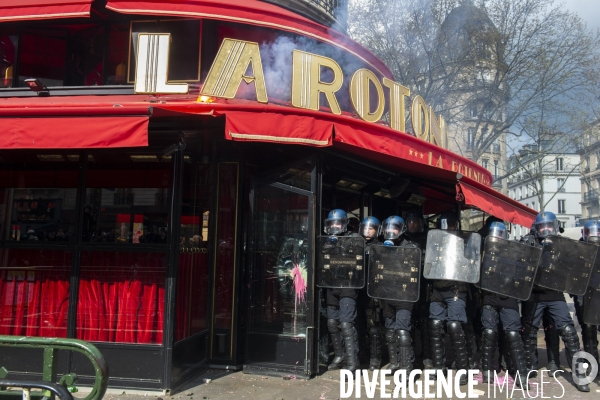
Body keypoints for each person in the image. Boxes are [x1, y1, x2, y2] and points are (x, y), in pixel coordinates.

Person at [520, 211, 590, 392]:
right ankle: (529, 367)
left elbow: (573, 266)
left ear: (555, 226)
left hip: (554, 294)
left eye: (548, 226)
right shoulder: (529, 242)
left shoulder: (562, 244)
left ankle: (579, 374)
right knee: (529, 331)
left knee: (568, 331)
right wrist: (526, 250)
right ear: (536, 228)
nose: (545, 229)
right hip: (534, 294)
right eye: (541, 226)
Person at [479, 222, 529, 388]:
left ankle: (521, 373)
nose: (496, 237)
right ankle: (487, 370)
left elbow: (521, 275)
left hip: (508, 298)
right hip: (489, 297)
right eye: (493, 233)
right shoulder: (483, 251)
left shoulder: (512, 252)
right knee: (489, 333)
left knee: (513, 335)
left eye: (499, 233)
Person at [428, 211, 470, 385]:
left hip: (455, 289)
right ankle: (439, 367)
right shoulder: (434, 242)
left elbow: (470, 264)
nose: (448, 228)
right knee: (435, 325)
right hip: (437, 288)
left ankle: (463, 368)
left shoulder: (463, 242)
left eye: (451, 224)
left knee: (454, 326)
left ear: (456, 225)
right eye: (444, 224)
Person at [376, 216, 419, 374]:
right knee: (389, 332)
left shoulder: (411, 247)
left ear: (401, 230)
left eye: (394, 228)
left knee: (402, 332)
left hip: (404, 296)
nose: (390, 231)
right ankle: (394, 363)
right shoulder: (381, 247)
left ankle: (406, 367)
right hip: (387, 295)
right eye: (388, 228)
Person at [323, 209, 361, 372]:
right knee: (332, 323)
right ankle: (339, 356)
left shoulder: (355, 239)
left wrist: (336, 244)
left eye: (338, 223)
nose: (335, 226)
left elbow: (354, 256)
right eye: (332, 223)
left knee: (346, 324)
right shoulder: (326, 241)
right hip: (332, 285)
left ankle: (352, 363)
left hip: (348, 286)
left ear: (344, 224)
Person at [404, 208, 431, 368]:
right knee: (409, 322)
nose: (412, 225)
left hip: (424, 285)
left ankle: (427, 355)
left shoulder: (428, 238)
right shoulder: (403, 238)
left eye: (415, 221)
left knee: (425, 322)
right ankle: (410, 354)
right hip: (407, 286)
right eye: (410, 222)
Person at [359, 216, 384, 371]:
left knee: (373, 327)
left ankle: (376, 358)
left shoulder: (380, 247)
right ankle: (361, 354)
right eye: (365, 228)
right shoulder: (357, 245)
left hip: (373, 292)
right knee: (358, 325)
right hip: (358, 291)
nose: (367, 232)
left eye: (371, 229)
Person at [574, 221, 599, 369]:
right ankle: (592, 361)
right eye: (591, 231)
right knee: (588, 328)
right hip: (583, 293)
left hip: (598, 292)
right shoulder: (578, 249)